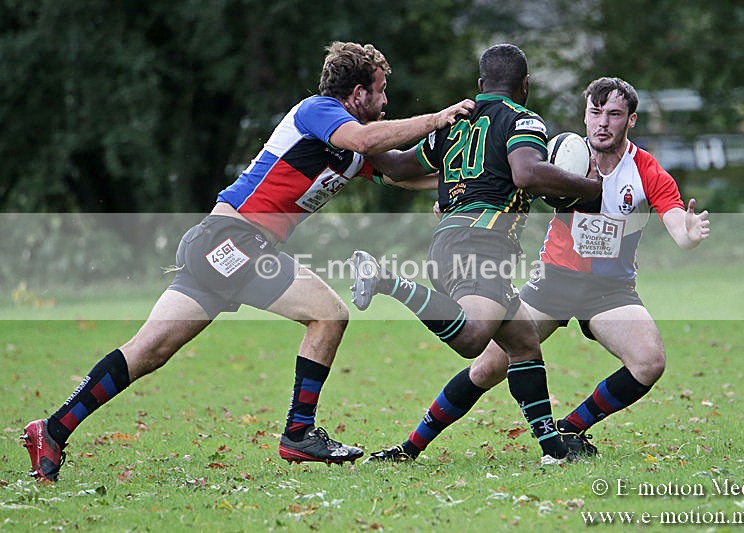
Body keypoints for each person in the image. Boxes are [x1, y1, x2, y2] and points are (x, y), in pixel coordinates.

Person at [20, 41, 475, 482]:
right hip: (232, 241)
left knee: (147, 352)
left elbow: (400, 168)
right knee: (329, 314)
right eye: (380, 91)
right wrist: (436, 118)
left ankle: (53, 430)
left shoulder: (356, 150)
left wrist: (466, 181)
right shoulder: (319, 111)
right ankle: (298, 433)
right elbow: (366, 135)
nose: (385, 100)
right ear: (357, 94)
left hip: (221, 246)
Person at [364, 76, 711, 463]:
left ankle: (571, 427)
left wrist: (690, 232)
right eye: (595, 112)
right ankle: (411, 447)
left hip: (610, 290)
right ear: (585, 115)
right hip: (553, 282)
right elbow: (497, 177)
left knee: (649, 361)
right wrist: (455, 199)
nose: (602, 123)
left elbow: (678, 225)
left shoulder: (646, 170)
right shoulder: (561, 154)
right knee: (488, 366)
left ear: (630, 120)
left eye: (614, 114)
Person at [350, 44, 601, 464]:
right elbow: (526, 173)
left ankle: (551, 450)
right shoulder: (523, 119)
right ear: (524, 86)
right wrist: (589, 188)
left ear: (481, 85)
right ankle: (384, 279)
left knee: (522, 347)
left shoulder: (454, 122)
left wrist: (363, 127)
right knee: (471, 339)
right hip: (478, 243)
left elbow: (396, 166)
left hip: (457, 239)